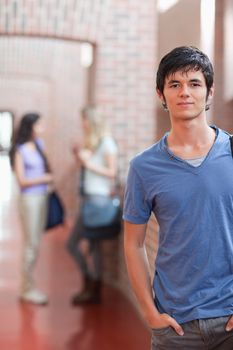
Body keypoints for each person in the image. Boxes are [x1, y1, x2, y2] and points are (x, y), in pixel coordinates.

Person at [123, 46, 233, 349]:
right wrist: (149, 311)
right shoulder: (144, 167)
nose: (185, 92)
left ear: (209, 93)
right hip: (175, 327)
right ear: (161, 95)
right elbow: (133, 244)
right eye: (175, 84)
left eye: (195, 84)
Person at [66, 106, 118, 305]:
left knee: (77, 243)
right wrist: (79, 157)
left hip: (98, 200)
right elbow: (88, 169)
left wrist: (89, 165)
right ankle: (91, 286)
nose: (82, 124)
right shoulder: (94, 143)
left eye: (84, 120)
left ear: (92, 121)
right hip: (89, 199)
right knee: (92, 246)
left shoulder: (106, 143)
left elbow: (112, 172)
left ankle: (92, 286)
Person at [10, 112, 53, 305]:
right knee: (31, 244)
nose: (42, 128)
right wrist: (44, 179)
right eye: (40, 125)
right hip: (29, 200)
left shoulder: (39, 145)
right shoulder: (19, 150)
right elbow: (22, 181)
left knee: (36, 242)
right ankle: (26, 288)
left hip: (42, 198)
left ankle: (28, 286)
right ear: (31, 126)